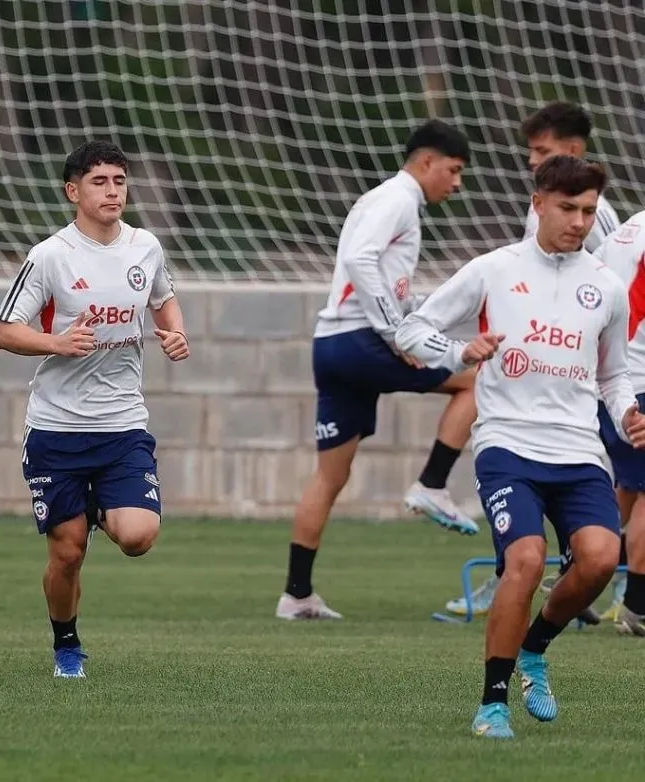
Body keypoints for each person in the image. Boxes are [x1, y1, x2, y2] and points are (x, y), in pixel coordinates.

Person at [395, 155, 645, 739]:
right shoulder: (493, 269)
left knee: (603, 560)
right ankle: (493, 705)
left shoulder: (605, 287)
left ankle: (534, 649)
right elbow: (412, 328)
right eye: (567, 208)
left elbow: (611, 376)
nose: (580, 222)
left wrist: (629, 412)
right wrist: (461, 354)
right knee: (526, 561)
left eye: (588, 211)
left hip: (579, 450)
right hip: (507, 444)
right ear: (538, 204)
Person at [0, 140, 189, 678]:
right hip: (57, 429)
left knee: (139, 536)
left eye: (119, 181)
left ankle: (102, 506)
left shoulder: (145, 247)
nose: (112, 191)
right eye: (99, 182)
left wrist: (175, 332)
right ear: (72, 191)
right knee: (69, 553)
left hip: (123, 425)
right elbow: (4, 332)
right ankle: (67, 645)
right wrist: (55, 343)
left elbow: (163, 297)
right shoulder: (50, 255)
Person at [276, 119, 478, 622]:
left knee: (330, 475)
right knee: (477, 379)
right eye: (453, 171)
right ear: (426, 162)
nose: (456, 184)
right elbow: (361, 261)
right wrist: (395, 333)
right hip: (360, 340)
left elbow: (377, 272)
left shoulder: (381, 200)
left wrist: (406, 319)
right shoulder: (397, 199)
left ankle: (296, 595)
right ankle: (432, 484)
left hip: (332, 346)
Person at [445, 101, 623, 620]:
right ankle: (531, 580)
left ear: (571, 152)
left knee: (615, 498)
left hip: (583, 382)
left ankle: (585, 590)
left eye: (542, 151)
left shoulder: (594, 220)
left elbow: (603, 297)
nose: (532, 160)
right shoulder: (536, 221)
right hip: (531, 402)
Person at [593, 212, 645, 634]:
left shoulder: (627, 229)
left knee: (628, 487)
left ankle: (577, 575)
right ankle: (637, 607)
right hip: (640, 382)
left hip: (610, 381)